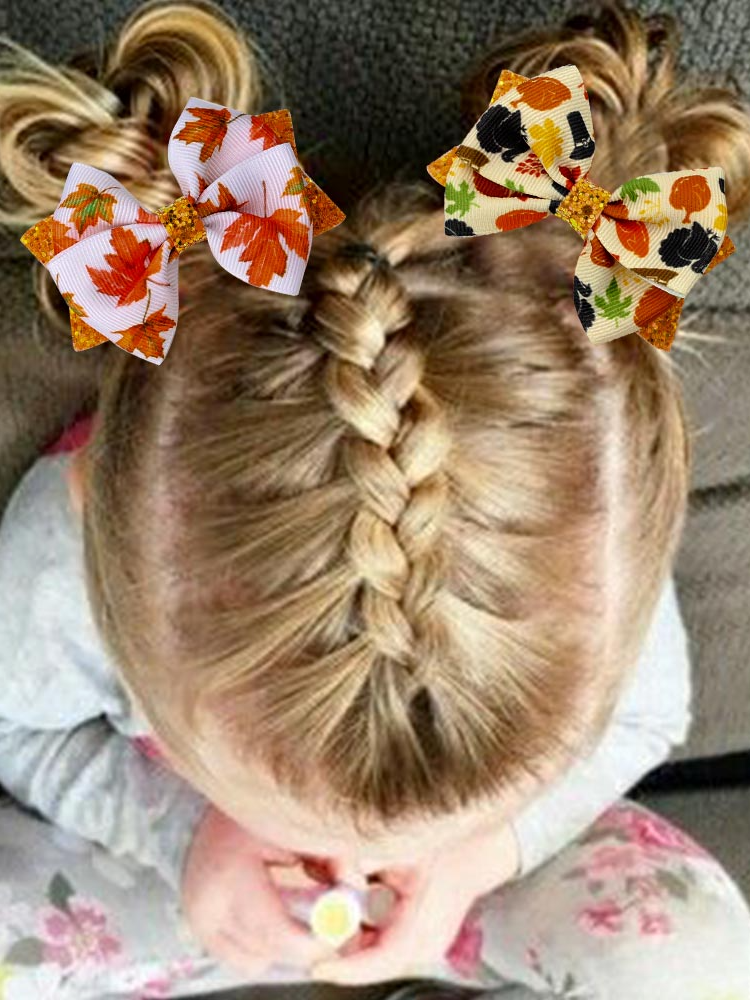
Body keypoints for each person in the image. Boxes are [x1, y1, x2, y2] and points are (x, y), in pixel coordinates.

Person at [0, 1, 749, 997]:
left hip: (475, 891)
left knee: (693, 959)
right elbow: (16, 723)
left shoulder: (580, 547)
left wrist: (479, 853)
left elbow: (646, 719)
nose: (355, 854)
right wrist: (188, 836)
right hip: (190, 887)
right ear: (94, 514)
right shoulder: (64, 556)